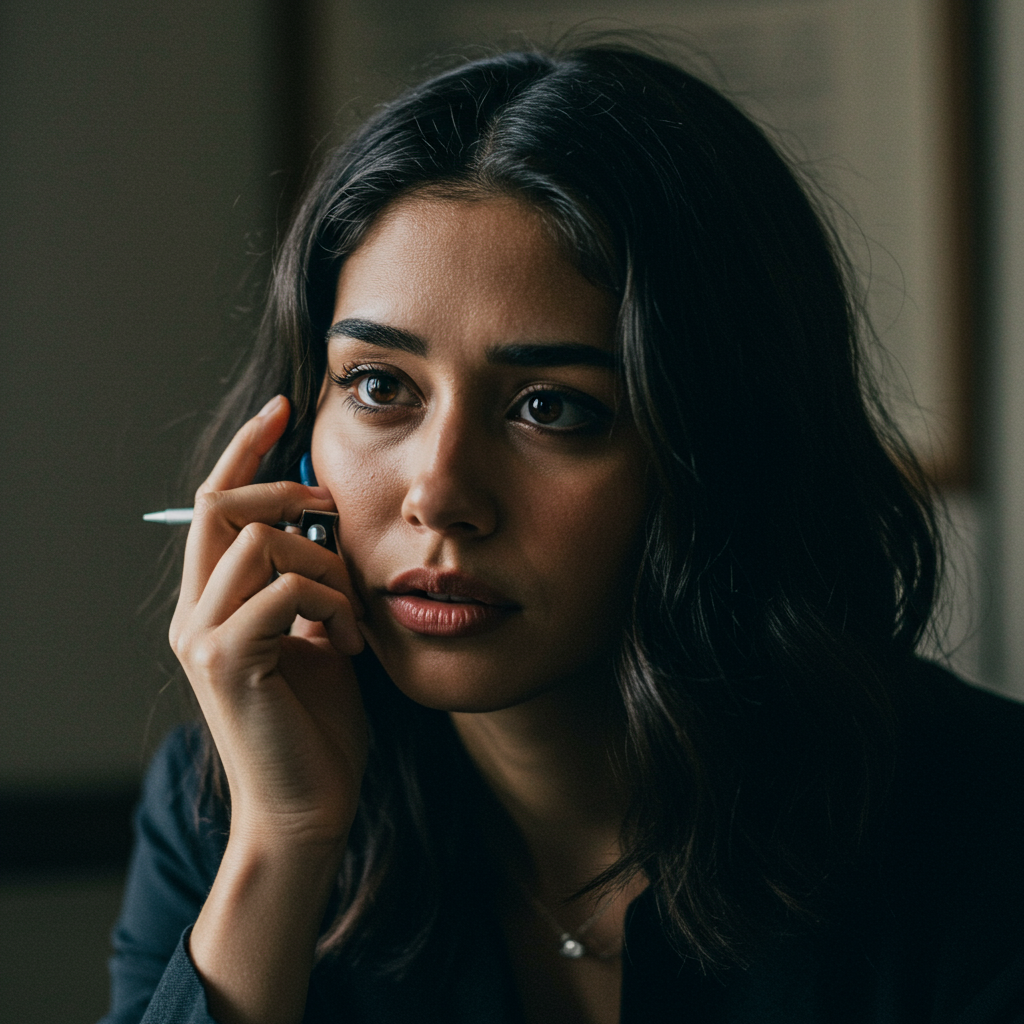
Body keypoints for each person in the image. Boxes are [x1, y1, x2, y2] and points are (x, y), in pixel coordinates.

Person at [100, 44, 1024, 1024]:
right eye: (380, 387)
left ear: (719, 444)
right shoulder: (227, 797)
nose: (441, 494)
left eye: (551, 407)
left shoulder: (984, 830)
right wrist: (280, 844)